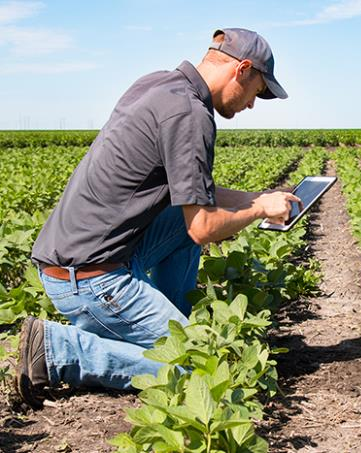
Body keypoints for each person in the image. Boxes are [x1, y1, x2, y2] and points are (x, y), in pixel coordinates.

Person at [15, 27, 301, 409]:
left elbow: (197, 198)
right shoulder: (190, 115)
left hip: (80, 258)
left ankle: (167, 324)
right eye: (258, 91)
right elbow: (202, 227)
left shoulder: (158, 86)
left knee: (179, 225)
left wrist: (257, 197)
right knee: (200, 370)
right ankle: (58, 349)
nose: (253, 104)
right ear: (243, 69)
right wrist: (260, 210)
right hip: (89, 279)